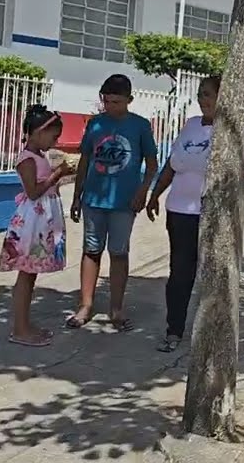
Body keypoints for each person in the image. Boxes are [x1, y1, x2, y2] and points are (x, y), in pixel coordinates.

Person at [145, 75, 244, 353]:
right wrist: (155, 194)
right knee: (179, 273)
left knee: (213, 275)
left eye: (208, 94)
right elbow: (172, 165)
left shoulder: (237, 127)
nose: (203, 100)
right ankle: (174, 330)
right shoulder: (191, 125)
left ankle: (211, 335)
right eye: (200, 94)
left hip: (213, 213)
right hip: (179, 211)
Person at [67, 74, 158, 332]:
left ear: (129, 100)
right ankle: (85, 305)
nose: (110, 106)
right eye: (106, 101)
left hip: (124, 203)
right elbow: (84, 160)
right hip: (94, 200)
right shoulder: (95, 124)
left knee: (118, 253)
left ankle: (116, 309)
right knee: (91, 250)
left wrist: (143, 192)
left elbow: (152, 164)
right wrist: (77, 196)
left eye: (116, 102)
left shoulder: (140, 126)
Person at [0, 105, 72, 347]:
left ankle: (24, 325)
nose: (55, 141)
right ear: (39, 132)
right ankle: (20, 329)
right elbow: (33, 191)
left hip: (41, 220)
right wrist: (57, 174)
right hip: (32, 222)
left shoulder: (39, 156)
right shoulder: (27, 159)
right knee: (26, 274)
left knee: (30, 275)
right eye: (53, 136)